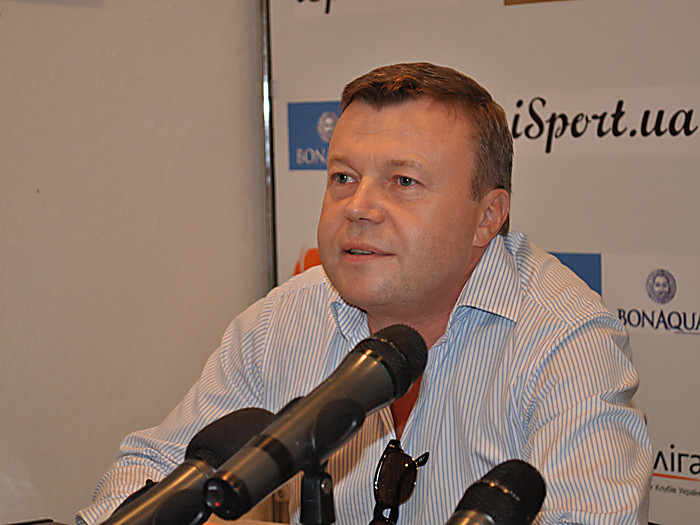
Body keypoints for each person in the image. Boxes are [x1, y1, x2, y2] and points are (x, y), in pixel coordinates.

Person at [77, 62, 652, 525]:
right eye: (343, 177)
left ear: (487, 217)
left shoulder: (565, 337)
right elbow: (144, 478)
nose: (358, 207)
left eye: (403, 181)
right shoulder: (281, 321)